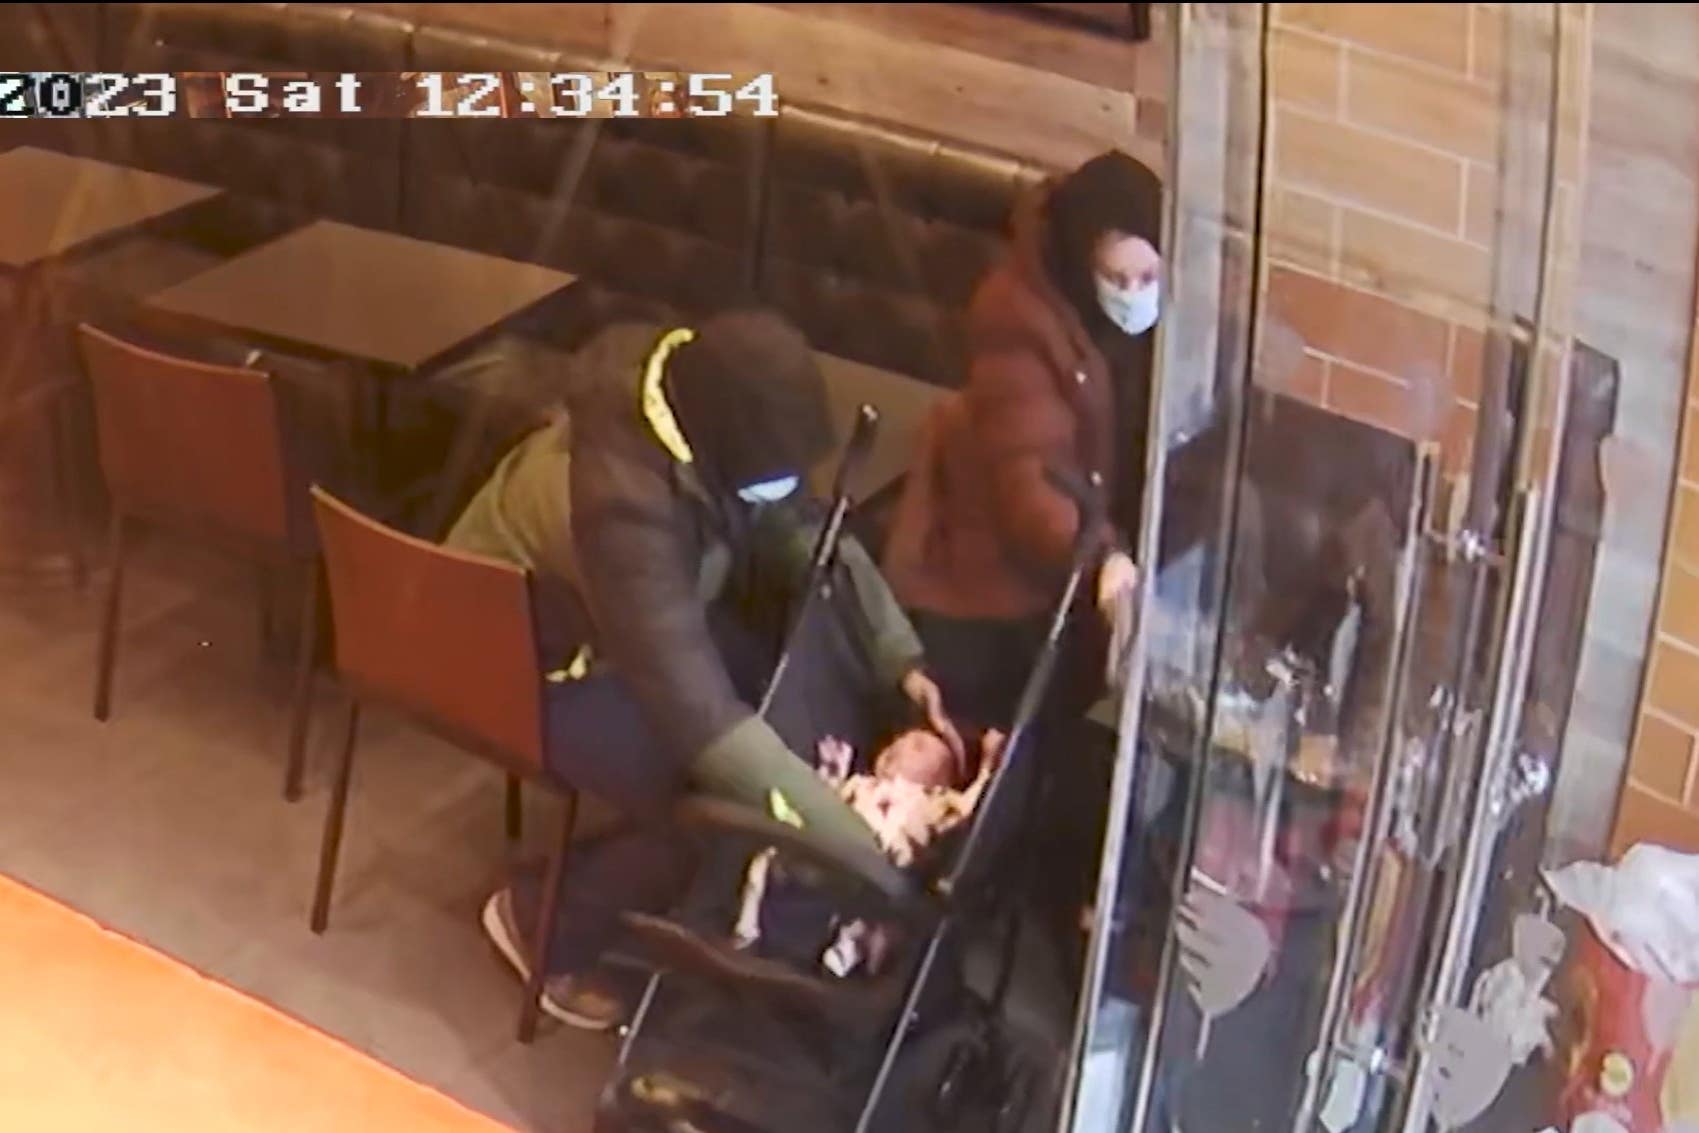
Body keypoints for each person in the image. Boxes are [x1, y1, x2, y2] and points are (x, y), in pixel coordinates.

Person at [443, 310, 961, 1029]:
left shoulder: (696, 406)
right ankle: (540, 924)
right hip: (511, 658)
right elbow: (700, 722)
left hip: (614, 621)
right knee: (709, 799)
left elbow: (806, 528)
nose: (782, 485)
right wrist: (843, 837)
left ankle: (684, 889)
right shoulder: (617, 506)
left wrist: (897, 654)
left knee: (760, 713)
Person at [882, 150, 1162, 728]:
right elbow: (1027, 483)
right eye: (1116, 278)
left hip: (1092, 558)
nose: (1134, 294)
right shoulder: (1015, 314)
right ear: (1082, 259)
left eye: (1149, 278)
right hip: (998, 578)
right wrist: (1102, 558)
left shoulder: (1163, 322)